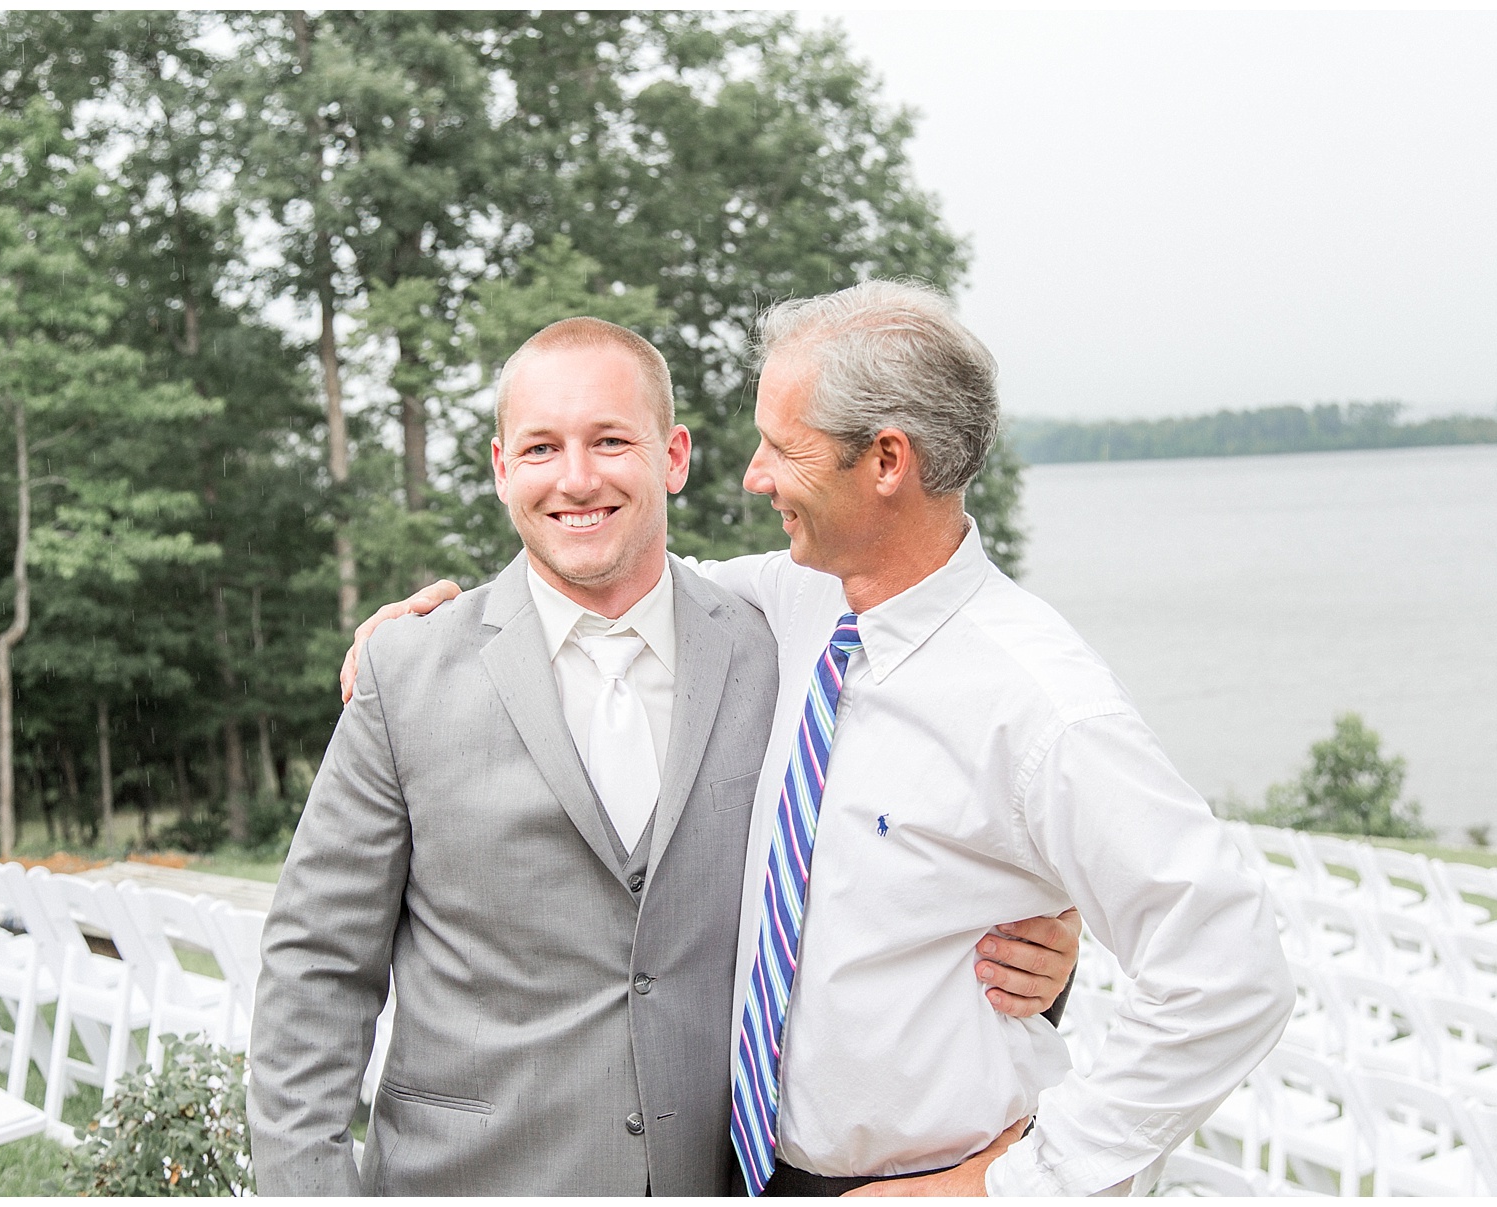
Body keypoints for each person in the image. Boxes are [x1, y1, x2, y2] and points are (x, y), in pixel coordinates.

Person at [346, 282, 1293, 1197]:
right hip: (747, 1176)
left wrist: (1015, 1183)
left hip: (926, 1182)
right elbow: (604, 583)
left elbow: (1230, 971)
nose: (755, 476)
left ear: (886, 462)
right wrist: (441, 634)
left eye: (780, 449)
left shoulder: (1041, 702)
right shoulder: (787, 602)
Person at [251, 317, 1079, 1196]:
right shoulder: (408, 670)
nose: (576, 479)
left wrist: (1043, 947)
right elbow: (315, 971)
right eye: (540, 448)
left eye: (610, 440)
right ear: (501, 470)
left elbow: (897, 846)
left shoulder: (775, 650)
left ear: (673, 456)